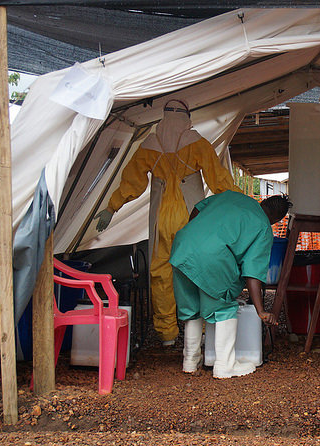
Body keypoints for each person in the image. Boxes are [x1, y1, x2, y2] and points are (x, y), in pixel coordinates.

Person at [94, 99, 239, 346]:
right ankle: (198, 328)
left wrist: (111, 207)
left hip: (161, 217)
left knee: (161, 272)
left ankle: (167, 334)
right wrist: (241, 203)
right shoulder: (198, 144)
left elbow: (132, 182)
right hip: (193, 217)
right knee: (197, 269)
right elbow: (219, 179)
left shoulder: (150, 145)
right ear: (186, 118)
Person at [170, 191, 290, 378]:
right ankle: (225, 365)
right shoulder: (263, 227)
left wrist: (195, 236)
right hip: (213, 256)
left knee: (192, 308)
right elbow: (252, 274)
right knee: (224, 307)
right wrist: (260, 310)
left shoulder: (232, 196)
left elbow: (197, 208)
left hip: (183, 245)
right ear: (277, 220)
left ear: (263, 202)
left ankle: (190, 361)